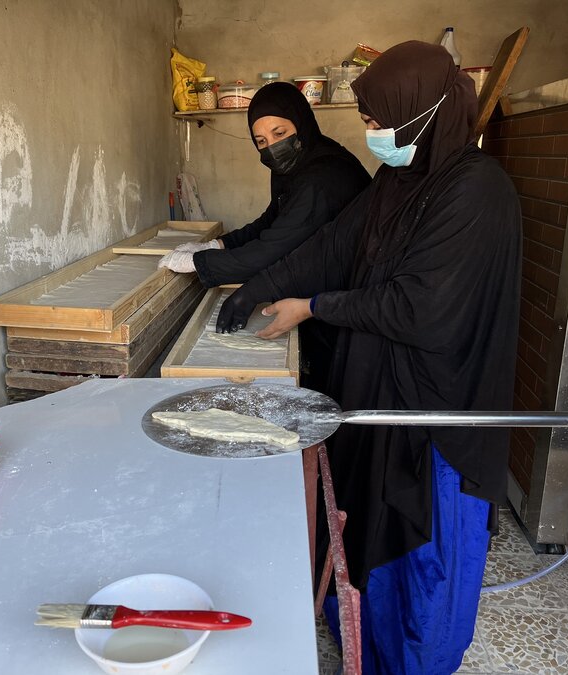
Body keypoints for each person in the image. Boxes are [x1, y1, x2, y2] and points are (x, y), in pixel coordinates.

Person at [216, 41, 522, 674]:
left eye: (381, 120)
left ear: (425, 111)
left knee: (419, 561)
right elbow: (334, 242)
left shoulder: (476, 191)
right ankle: (363, 643)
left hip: (435, 421)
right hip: (382, 398)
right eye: (369, 120)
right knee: (366, 530)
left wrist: (316, 306)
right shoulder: (399, 179)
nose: (373, 133)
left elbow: (423, 309)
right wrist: (258, 288)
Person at [159, 82, 370, 393]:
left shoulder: (324, 176)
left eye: (280, 133)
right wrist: (219, 244)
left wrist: (203, 264)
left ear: (301, 122)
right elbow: (271, 222)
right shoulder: (296, 163)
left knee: (332, 381)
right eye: (261, 140)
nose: (271, 145)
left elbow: (274, 247)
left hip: (346, 296)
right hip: (320, 281)